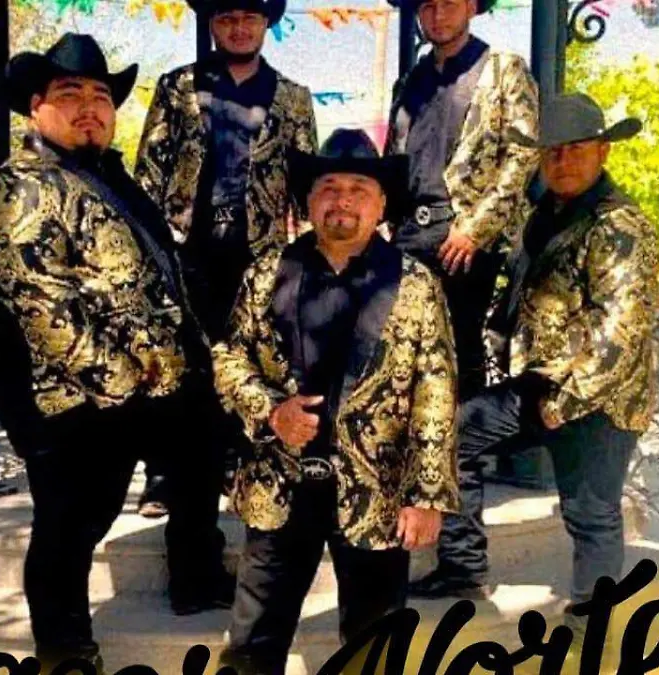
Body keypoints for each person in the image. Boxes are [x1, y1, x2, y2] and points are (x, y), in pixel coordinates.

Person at [0, 32, 234, 673]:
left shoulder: (109, 176)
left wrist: (187, 362)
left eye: (100, 96)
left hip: (152, 380)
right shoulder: (21, 187)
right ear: (37, 106)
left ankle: (196, 575)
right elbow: (43, 308)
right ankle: (64, 652)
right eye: (70, 94)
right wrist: (121, 388)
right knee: (70, 526)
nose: (89, 108)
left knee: (202, 451)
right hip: (73, 398)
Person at [212, 129, 460, 675]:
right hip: (280, 483)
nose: (342, 201)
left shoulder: (417, 285)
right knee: (251, 645)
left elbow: (436, 391)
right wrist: (270, 411)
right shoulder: (265, 273)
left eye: (358, 189)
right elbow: (228, 358)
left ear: (382, 205)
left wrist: (427, 494)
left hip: (378, 488)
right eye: (329, 188)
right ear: (309, 200)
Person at [451, 93, 659, 634]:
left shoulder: (621, 226)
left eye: (576, 149)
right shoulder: (545, 214)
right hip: (539, 384)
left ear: (603, 152)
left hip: (600, 398)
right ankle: (463, 568)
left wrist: (566, 401)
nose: (562, 160)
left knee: (591, 516)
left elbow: (621, 329)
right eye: (552, 151)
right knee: (454, 435)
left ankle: (593, 630)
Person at [133, 0, 318, 516]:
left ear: (266, 24)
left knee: (250, 361)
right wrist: (150, 249)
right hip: (186, 250)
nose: (239, 29)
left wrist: (306, 257)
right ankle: (164, 474)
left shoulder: (293, 98)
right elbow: (150, 170)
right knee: (177, 364)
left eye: (249, 19)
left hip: (258, 255)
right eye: (228, 19)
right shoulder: (178, 87)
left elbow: (306, 184)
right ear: (213, 25)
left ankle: (236, 463)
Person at [384, 0, 542, 599]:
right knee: (400, 389)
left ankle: (463, 558)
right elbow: (396, 161)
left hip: (464, 252)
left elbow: (521, 156)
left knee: (456, 399)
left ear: (472, 7)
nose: (437, 13)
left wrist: (475, 229)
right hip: (409, 242)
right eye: (427, 5)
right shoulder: (411, 79)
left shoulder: (504, 69)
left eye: (449, 1)